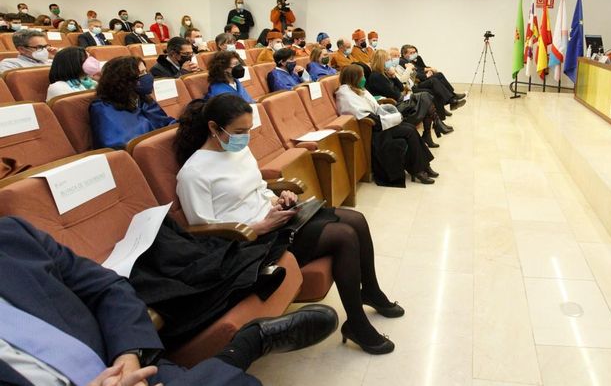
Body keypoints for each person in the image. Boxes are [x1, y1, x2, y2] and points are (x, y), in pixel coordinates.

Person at [175, 94, 403, 354]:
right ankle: (357, 325)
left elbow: (258, 187)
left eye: (248, 130)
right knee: (344, 236)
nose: (245, 137)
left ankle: (371, 291)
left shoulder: (238, 150)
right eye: (239, 131)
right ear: (214, 128)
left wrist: (278, 198)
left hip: (276, 219)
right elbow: (205, 234)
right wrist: (258, 226)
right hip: (250, 243)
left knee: (357, 220)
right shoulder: (193, 173)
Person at [0, 215, 339, 386]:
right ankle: (245, 346)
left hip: (125, 367)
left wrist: (128, 356)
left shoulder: (12, 235)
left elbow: (107, 287)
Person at [336, 65, 438, 185]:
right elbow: (364, 116)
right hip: (370, 130)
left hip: (377, 123)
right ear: (354, 77)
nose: (364, 78)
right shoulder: (345, 94)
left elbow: (373, 108)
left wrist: (389, 114)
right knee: (409, 131)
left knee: (409, 127)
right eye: (362, 76)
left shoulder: (357, 89)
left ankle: (423, 166)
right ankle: (418, 170)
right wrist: (393, 118)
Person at [367, 49, 449, 148]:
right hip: (393, 106)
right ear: (381, 61)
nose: (390, 62)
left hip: (400, 99)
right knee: (426, 97)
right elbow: (396, 95)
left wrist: (393, 76)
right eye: (387, 60)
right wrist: (394, 78)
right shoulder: (377, 76)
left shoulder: (384, 74)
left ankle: (434, 128)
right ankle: (435, 127)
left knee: (426, 97)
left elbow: (401, 88)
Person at [90, 56, 176, 149]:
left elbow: (165, 123)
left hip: (160, 147)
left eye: (145, 71)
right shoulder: (103, 107)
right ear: (123, 80)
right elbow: (119, 145)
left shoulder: (141, 98)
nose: (147, 76)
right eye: (142, 73)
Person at [401, 44, 466, 111]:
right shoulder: (404, 62)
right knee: (434, 81)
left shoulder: (417, 58)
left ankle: (453, 96)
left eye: (414, 52)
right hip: (417, 82)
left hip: (422, 77)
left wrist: (430, 69)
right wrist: (426, 73)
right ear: (404, 54)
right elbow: (416, 72)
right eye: (411, 53)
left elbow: (423, 67)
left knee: (439, 75)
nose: (414, 54)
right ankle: (452, 101)